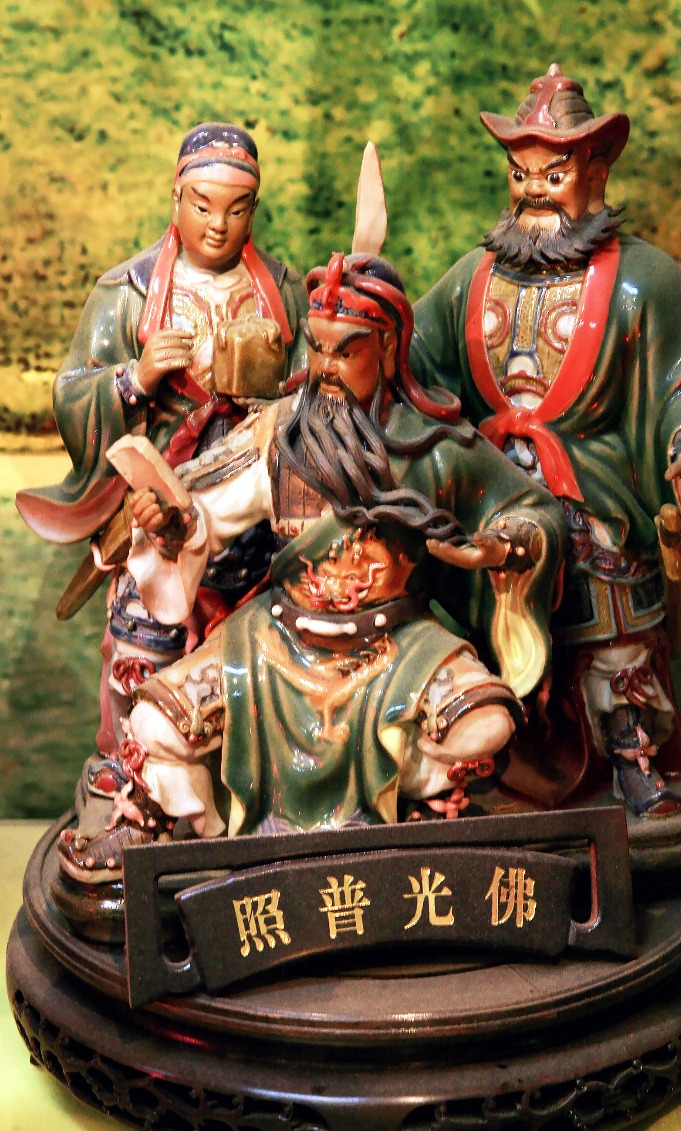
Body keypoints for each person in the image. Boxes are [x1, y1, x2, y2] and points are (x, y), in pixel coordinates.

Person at [58, 250, 565, 885]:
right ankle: (158, 824)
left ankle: (417, 804)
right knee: (156, 720)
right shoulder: (277, 437)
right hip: (274, 648)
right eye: (317, 349)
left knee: (485, 723)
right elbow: (205, 511)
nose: (324, 368)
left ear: (388, 350)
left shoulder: (436, 448)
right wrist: (170, 522)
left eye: (345, 352)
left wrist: (500, 547)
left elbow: (529, 510)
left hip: (396, 650)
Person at [409, 65, 681, 817]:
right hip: (497, 493)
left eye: (553, 175)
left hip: (593, 495)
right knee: (497, 632)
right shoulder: (471, 278)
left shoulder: (645, 281)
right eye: (520, 174)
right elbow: (413, 351)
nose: (534, 192)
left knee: (611, 634)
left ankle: (630, 753)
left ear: (596, 170)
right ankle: (500, 753)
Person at [16, 123, 308, 822]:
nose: (218, 224)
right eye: (202, 205)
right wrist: (136, 378)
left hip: (255, 513)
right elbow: (71, 392)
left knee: (267, 647)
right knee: (144, 643)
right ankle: (131, 780)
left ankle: (258, 784)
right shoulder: (127, 291)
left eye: (237, 209)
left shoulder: (283, 290)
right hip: (158, 512)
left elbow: (311, 392)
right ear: (176, 197)